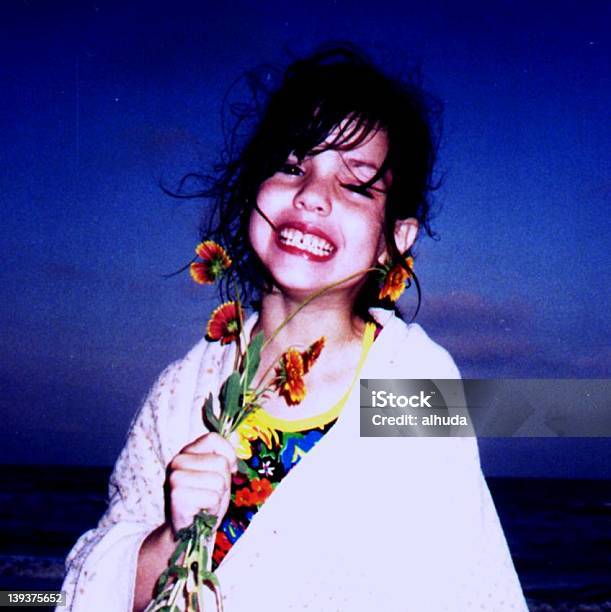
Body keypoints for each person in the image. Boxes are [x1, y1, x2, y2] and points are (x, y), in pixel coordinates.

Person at [60, 47, 528, 611]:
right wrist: (171, 537)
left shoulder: (414, 382)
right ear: (252, 190)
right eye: (290, 165)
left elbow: (469, 585)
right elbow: (97, 588)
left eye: (357, 185)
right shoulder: (181, 393)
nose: (312, 195)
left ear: (394, 241)